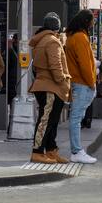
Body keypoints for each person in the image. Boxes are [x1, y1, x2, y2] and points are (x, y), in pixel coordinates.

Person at [28, 12, 71, 164]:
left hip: (45, 84)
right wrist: (62, 80)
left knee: (51, 121)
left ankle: (51, 150)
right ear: (57, 27)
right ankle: (38, 152)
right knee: (46, 120)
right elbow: (55, 65)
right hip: (51, 87)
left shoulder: (42, 40)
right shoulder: (52, 41)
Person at [64, 10, 98, 164]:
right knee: (76, 118)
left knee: (76, 117)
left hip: (78, 82)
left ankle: (77, 150)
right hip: (82, 83)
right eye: (92, 21)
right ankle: (76, 151)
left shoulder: (72, 37)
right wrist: (91, 83)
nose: (93, 24)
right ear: (86, 21)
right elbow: (85, 64)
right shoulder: (80, 38)